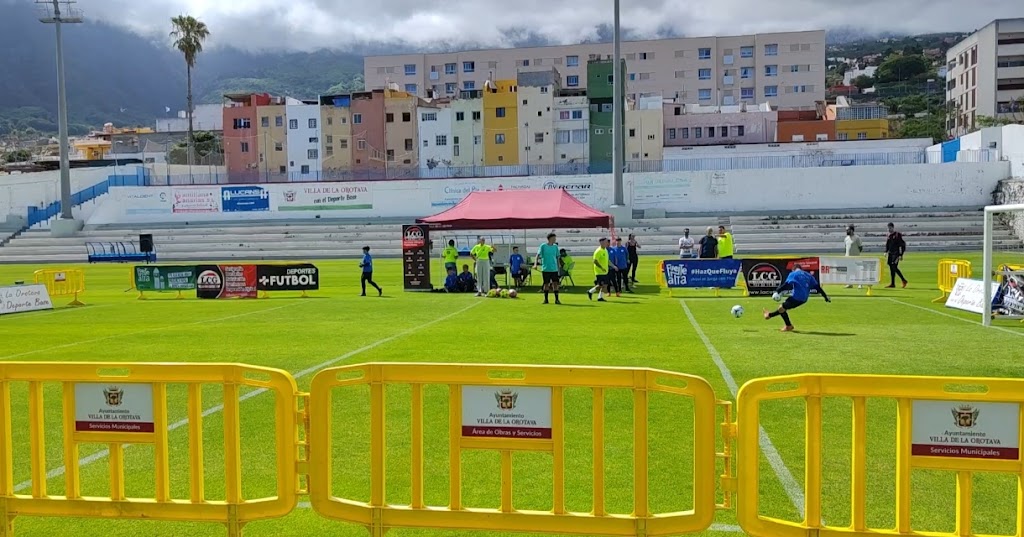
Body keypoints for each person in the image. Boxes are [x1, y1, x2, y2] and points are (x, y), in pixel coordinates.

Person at [763, 264, 831, 332]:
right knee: (782, 308)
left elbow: (787, 285)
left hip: (797, 297)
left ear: (793, 269)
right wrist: (825, 296)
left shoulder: (794, 274)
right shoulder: (808, 275)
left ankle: (787, 325)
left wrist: (777, 291)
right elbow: (817, 287)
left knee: (781, 308)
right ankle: (769, 316)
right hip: (804, 299)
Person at [533, 233, 562, 304]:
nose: (555, 239)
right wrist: (535, 264)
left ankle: (557, 299)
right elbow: (537, 255)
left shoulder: (555, 247)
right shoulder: (543, 246)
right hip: (546, 268)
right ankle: (546, 299)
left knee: (555, 284)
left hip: (554, 269)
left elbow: (557, 257)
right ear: (550, 238)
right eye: (554, 238)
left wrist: (559, 267)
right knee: (546, 284)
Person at [885, 222, 908, 288]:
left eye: (890, 228)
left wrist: (901, 254)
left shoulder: (897, 235)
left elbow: (902, 245)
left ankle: (903, 280)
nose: (889, 229)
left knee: (894, 266)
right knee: (891, 267)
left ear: (893, 227)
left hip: (896, 253)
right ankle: (892, 283)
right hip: (890, 253)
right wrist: (886, 251)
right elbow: (887, 244)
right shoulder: (889, 235)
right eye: (888, 228)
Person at [588, 237, 611, 302]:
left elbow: (607, 260)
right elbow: (595, 261)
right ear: (602, 242)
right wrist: (601, 267)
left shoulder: (605, 250)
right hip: (599, 271)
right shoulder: (598, 251)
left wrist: (613, 266)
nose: (607, 243)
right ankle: (591, 292)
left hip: (605, 271)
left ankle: (598, 296)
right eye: (606, 242)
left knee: (605, 285)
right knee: (602, 285)